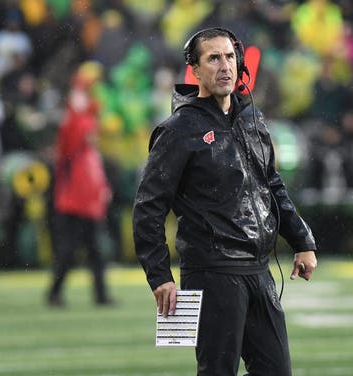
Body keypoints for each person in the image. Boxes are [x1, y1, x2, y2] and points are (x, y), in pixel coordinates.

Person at [132, 27, 318, 375]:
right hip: (211, 273)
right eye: (213, 58)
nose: (224, 66)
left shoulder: (253, 119)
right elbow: (148, 206)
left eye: (230, 57)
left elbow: (272, 185)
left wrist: (302, 241)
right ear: (196, 70)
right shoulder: (177, 130)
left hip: (259, 269)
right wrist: (159, 276)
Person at [46, 77, 114, 308]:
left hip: (85, 203)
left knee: (92, 252)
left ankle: (99, 295)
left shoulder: (87, 148)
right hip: (74, 202)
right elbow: (71, 133)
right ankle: (57, 293)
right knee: (70, 252)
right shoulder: (75, 135)